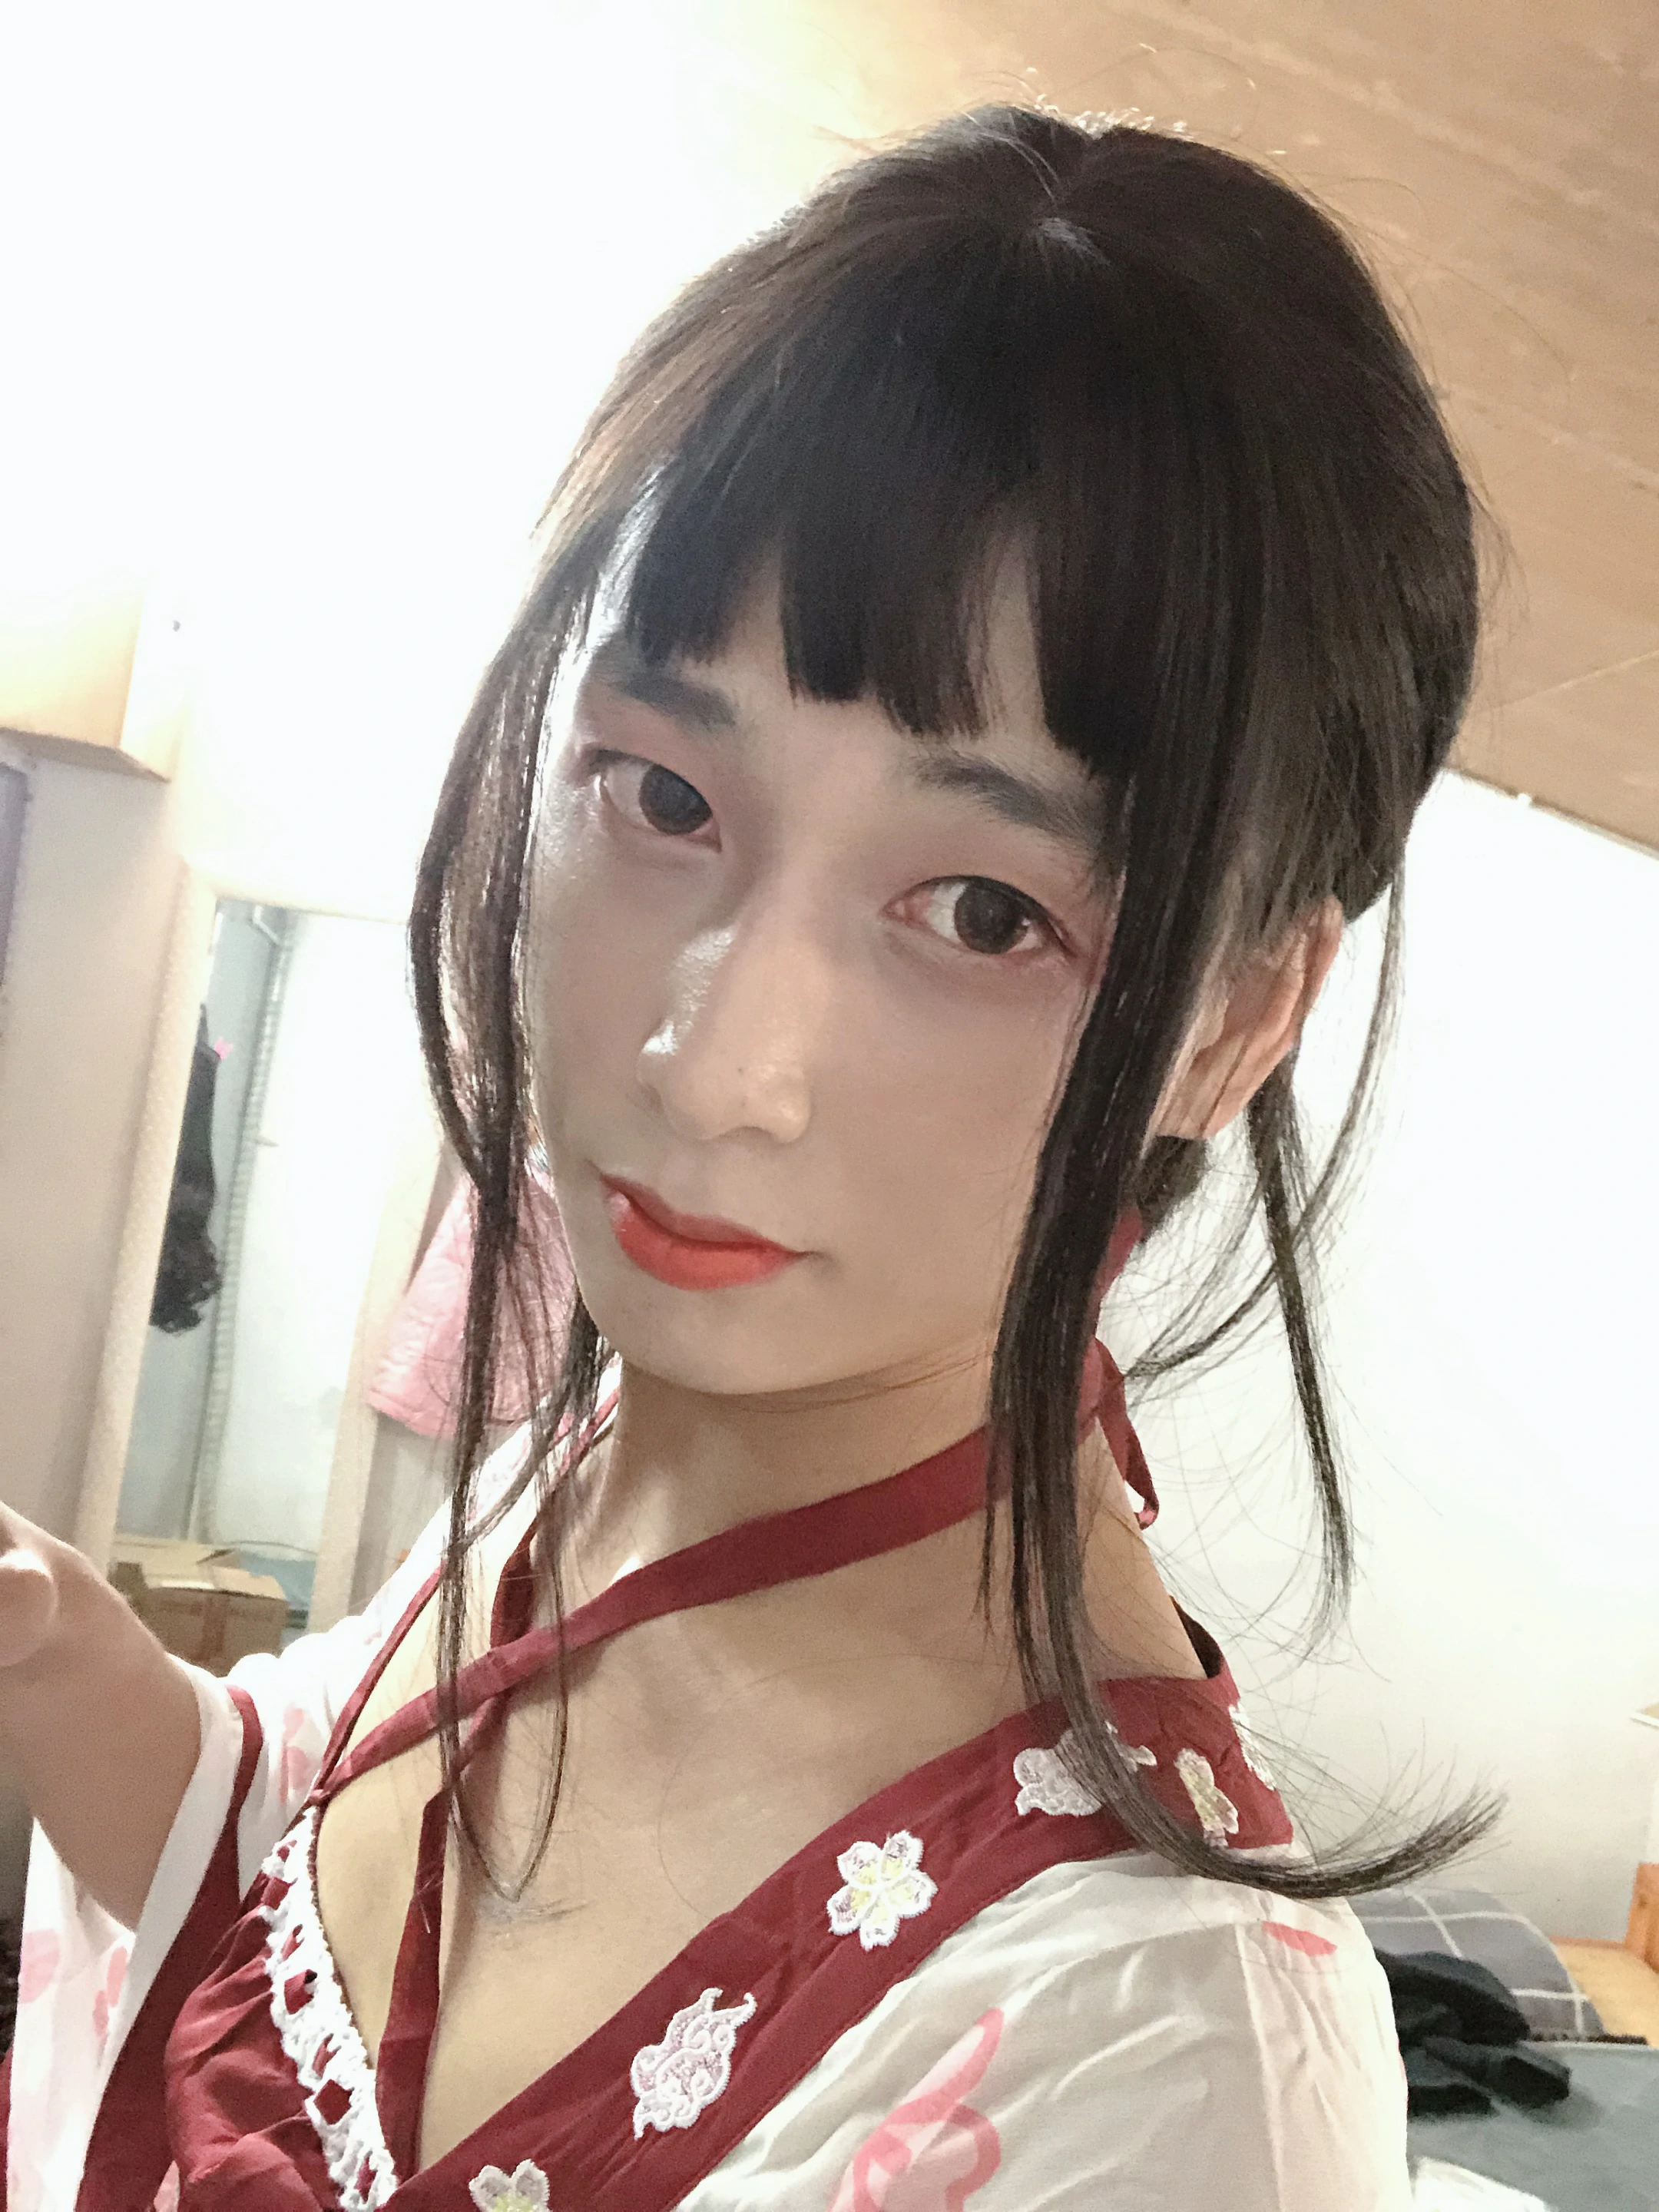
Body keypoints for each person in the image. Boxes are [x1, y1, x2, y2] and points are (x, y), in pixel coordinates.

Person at [0, 104, 1496, 2210]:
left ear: (1239, 1014)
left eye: (980, 910)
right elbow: (294, 1910)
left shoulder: (1173, 2066)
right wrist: (51, 1655)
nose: (712, 1072)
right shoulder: (636, 1438)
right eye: (665, 796)